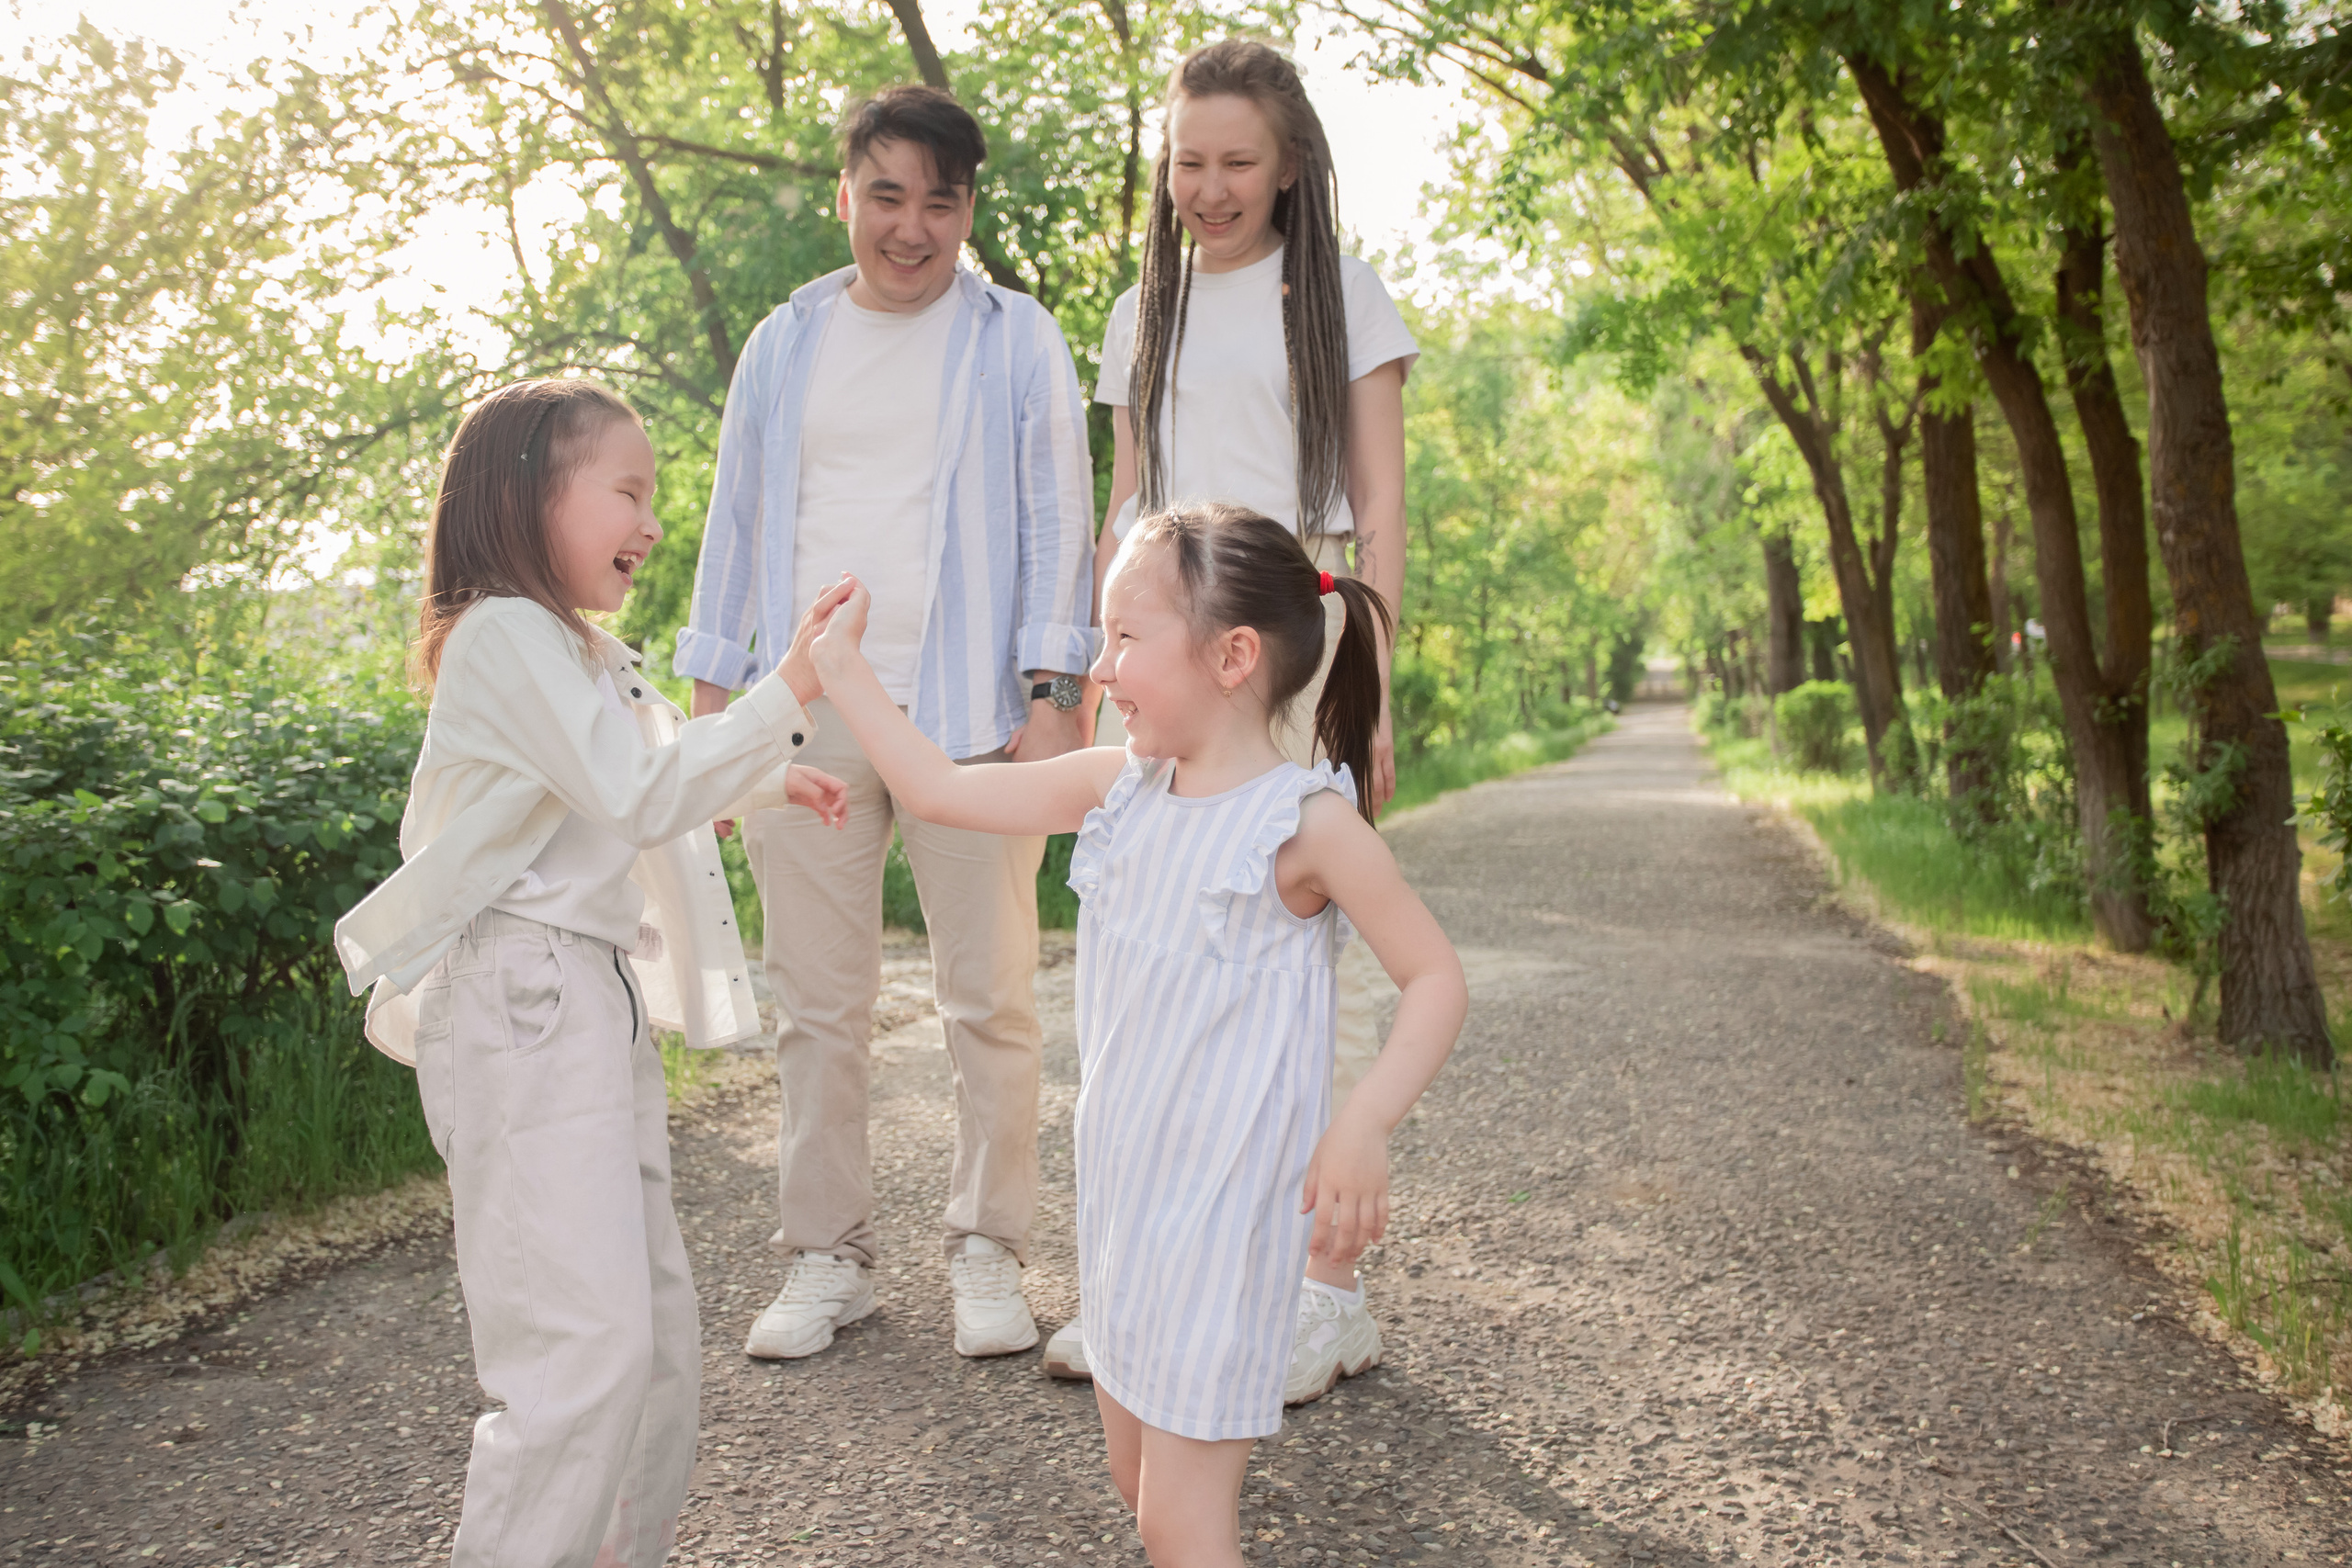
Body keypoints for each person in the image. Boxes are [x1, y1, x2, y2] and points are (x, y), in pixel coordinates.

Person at [805, 504, 1466, 1568]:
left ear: (1231, 657)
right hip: (1123, 1213)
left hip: (1225, 1224)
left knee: (1178, 1525)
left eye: (1123, 637)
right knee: (1135, 1484)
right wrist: (839, 668)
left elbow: (1434, 978)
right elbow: (936, 789)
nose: (1100, 668)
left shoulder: (1304, 826)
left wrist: (1363, 1124)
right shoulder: (1117, 788)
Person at [334, 378, 853, 1567]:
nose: (651, 522)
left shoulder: (569, 646)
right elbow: (632, 788)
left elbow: (636, 765)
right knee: (579, 1358)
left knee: (653, 1347)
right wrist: (791, 690)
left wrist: (765, 772)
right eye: (628, 490)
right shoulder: (503, 634)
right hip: (521, 1000)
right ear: (532, 495)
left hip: (580, 999)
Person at [675, 85, 1098, 1362]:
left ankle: (988, 1248)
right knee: (817, 1002)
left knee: (991, 996)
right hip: (804, 710)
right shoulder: (784, 342)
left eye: (940, 201)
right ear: (846, 194)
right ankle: (827, 1256)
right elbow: (736, 523)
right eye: (887, 196)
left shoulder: (1017, 339)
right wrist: (715, 711)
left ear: (969, 209)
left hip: (972, 714)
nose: (912, 227)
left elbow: (1057, 521)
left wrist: (1055, 700)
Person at [1048, 36, 1419, 1405]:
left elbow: (1378, 508)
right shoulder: (1142, 311)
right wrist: (1100, 662)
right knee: (1151, 946)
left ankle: (1323, 1290)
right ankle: (1142, 1281)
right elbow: (1128, 498)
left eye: (1237, 163)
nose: (1209, 188)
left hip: (1297, 643)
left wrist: (1371, 685)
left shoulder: (1345, 300)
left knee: (1298, 951)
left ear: (1291, 166)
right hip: (1167, 646)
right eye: (1188, 162)